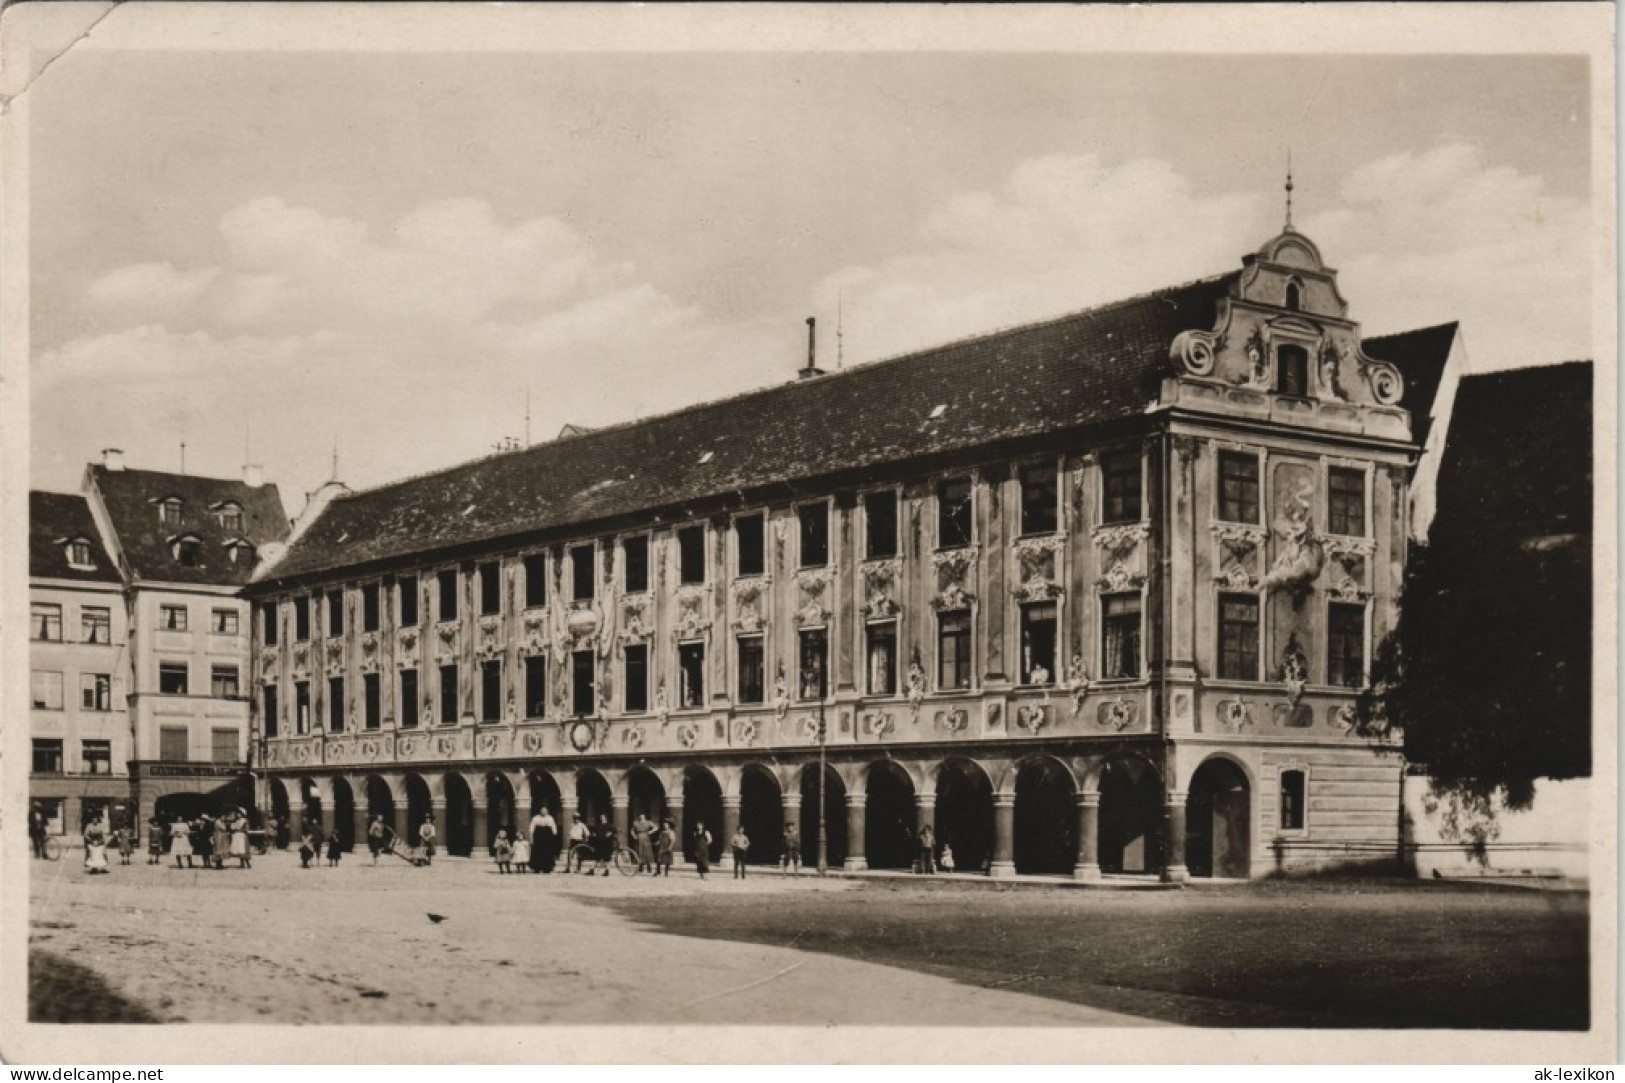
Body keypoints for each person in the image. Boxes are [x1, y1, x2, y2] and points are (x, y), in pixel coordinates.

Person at [530, 807, 558, 873]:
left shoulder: (550, 818)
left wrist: (554, 836)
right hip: (538, 836)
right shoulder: (536, 818)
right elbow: (532, 828)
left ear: (547, 812)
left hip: (547, 836)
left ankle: (547, 868)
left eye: (545, 811)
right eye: (542, 811)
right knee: (538, 852)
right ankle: (537, 868)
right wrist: (531, 838)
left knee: (547, 852)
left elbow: (553, 828)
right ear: (540, 811)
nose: (543, 812)